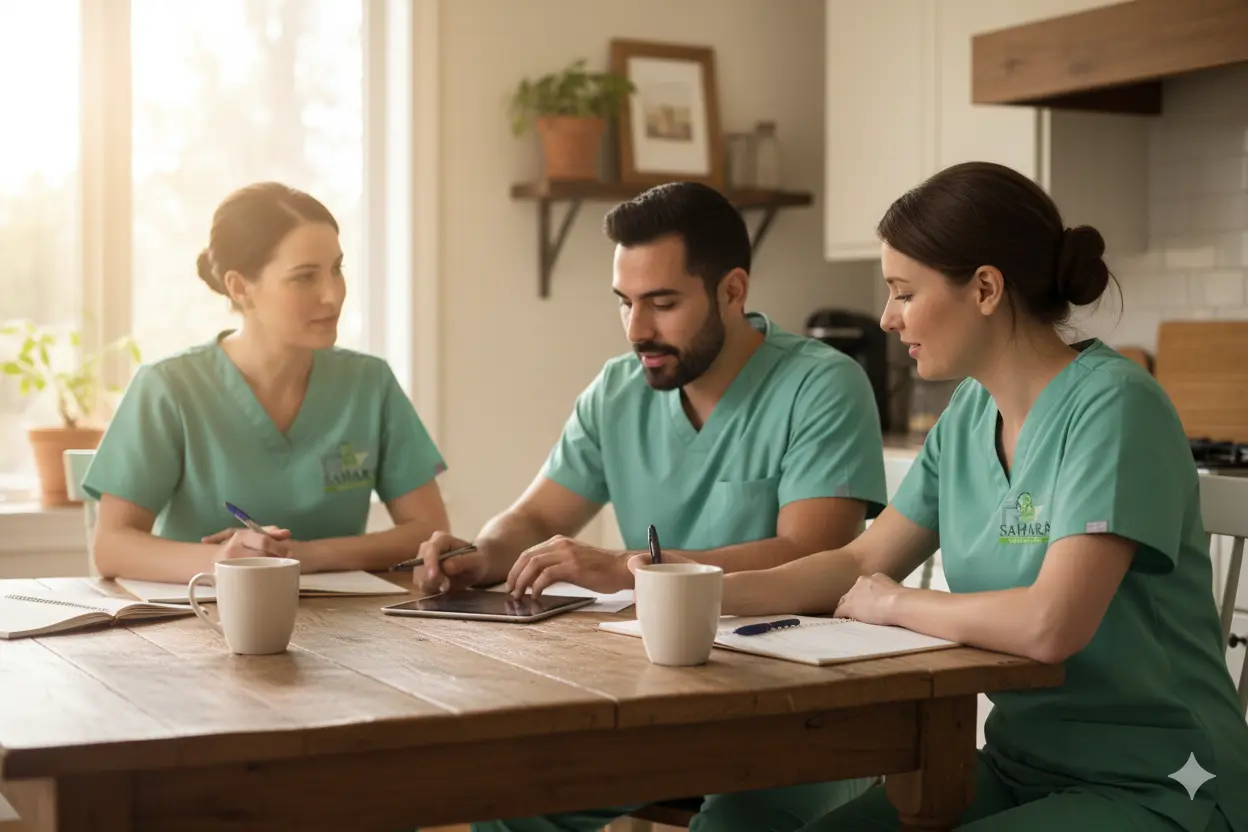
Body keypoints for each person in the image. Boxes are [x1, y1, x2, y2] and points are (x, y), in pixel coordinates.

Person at [629, 162, 1248, 832]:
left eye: (903, 292)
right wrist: (701, 590)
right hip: (1021, 765)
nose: (887, 318)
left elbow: (1052, 624)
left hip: (1164, 782)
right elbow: (858, 562)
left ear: (985, 288)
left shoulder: (1115, 405)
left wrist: (897, 604)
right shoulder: (969, 416)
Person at [415, 180, 889, 832]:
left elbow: (814, 554)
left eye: (662, 303)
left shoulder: (824, 385)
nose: (638, 330)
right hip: (652, 691)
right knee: (515, 800)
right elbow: (537, 517)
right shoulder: (617, 391)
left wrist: (631, 569)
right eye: (625, 303)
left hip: (799, 703)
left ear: (732, 291)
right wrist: (482, 553)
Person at [84, 182, 451, 583]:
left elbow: (428, 531)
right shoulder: (168, 387)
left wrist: (306, 556)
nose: (332, 295)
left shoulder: (370, 384)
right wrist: (224, 560)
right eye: (305, 277)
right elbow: (111, 546)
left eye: (336, 270)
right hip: (197, 614)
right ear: (240, 287)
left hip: (345, 620)